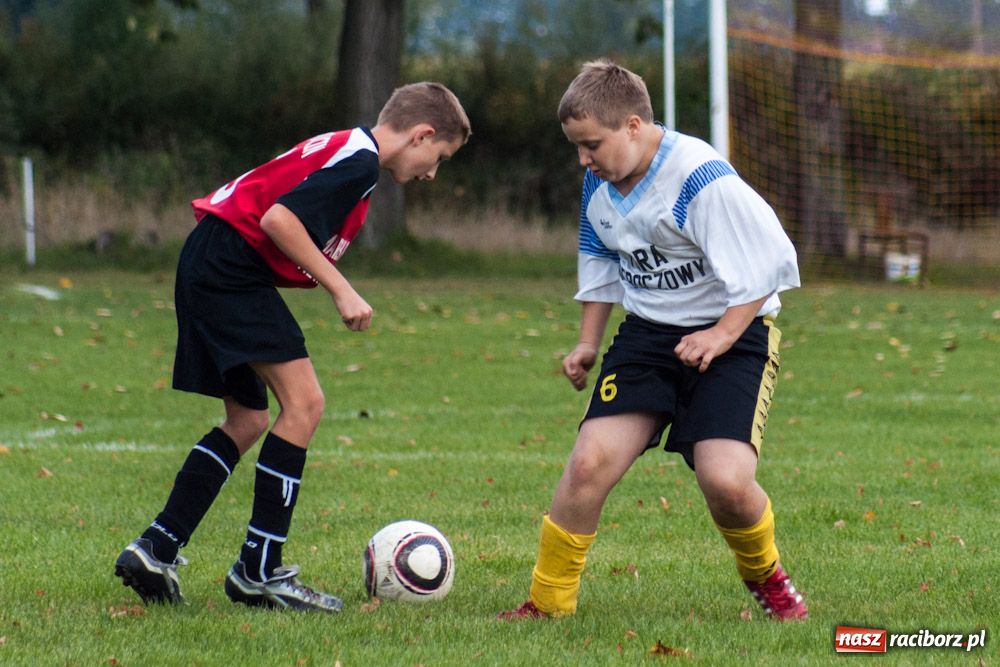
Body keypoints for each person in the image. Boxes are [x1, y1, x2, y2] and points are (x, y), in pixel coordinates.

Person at [114, 82, 471, 613]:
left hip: (209, 260)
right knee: (304, 403)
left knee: (248, 419)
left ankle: (155, 548)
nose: (432, 173)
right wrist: (342, 289)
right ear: (421, 135)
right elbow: (279, 220)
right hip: (229, 270)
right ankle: (258, 571)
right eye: (438, 157)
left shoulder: (350, 147)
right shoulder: (360, 163)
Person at [497, 60, 806, 621]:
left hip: (735, 336)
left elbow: (768, 264)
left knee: (726, 483)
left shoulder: (701, 179)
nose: (583, 160)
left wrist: (720, 334)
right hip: (647, 336)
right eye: (576, 147)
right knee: (588, 463)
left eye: (592, 145)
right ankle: (547, 604)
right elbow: (600, 256)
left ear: (634, 125)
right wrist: (587, 343)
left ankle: (769, 579)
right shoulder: (601, 180)